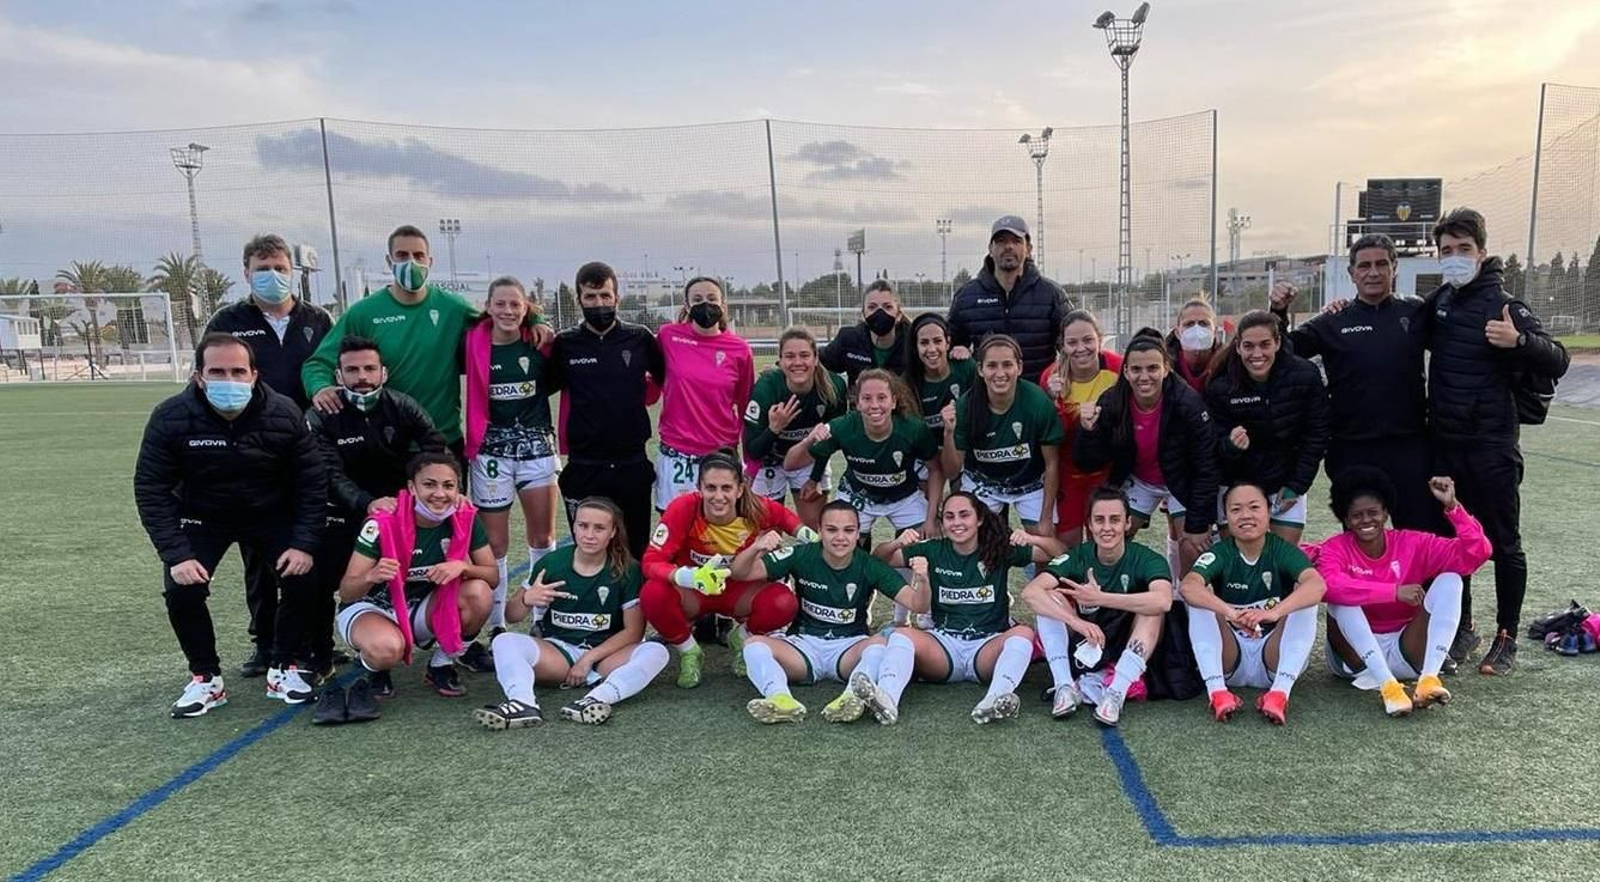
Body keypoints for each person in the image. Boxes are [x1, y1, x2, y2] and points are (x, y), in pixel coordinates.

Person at [134, 333, 325, 718]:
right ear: (199, 377)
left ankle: (283, 666)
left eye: (238, 371)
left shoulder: (284, 413)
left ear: (254, 374)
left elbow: (312, 481)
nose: (229, 380)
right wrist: (177, 554)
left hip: (268, 511)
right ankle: (205, 677)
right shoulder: (170, 416)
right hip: (202, 515)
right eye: (217, 372)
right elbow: (150, 488)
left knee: (305, 577)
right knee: (182, 589)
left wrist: (304, 543)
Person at [1422, 207, 1570, 675]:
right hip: (1446, 446)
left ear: (1482, 252)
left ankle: (1506, 636)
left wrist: (1519, 341)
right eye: (1447, 250)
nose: (1455, 257)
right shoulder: (1440, 303)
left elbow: (1559, 359)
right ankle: (1463, 627)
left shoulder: (1507, 306)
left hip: (1492, 447)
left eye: (1463, 249)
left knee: (1503, 542)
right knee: (1453, 540)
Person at [204, 233, 332, 678]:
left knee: (310, 545)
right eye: (263, 269)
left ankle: (316, 641)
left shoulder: (317, 319)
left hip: (306, 449)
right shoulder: (228, 320)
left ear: (292, 271)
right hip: (252, 452)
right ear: (246, 272)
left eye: (280, 268)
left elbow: (330, 373)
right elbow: (210, 379)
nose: (272, 276)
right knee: (258, 554)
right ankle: (266, 642)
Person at [303, 224, 550, 454]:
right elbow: (318, 363)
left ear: (429, 261)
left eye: (418, 256)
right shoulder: (363, 313)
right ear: (389, 261)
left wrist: (536, 320)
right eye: (402, 256)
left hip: (443, 438)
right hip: (389, 440)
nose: (411, 262)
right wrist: (321, 387)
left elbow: (500, 317)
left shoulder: (452, 307)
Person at [305, 335, 447, 702]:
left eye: (369, 368)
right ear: (339, 375)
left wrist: (415, 495)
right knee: (329, 582)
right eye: (352, 370)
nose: (362, 377)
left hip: (399, 512)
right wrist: (367, 503)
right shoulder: (322, 414)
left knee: (407, 574)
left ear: (383, 372)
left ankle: (432, 645)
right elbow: (328, 472)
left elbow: (435, 449)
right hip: (344, 512)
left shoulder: (402, 405)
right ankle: (321, 656)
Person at [727, 500, 929, 724]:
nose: (840, 537)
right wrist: (756, 548)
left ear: (857, 534)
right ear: (820, 531)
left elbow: (917, 604)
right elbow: (740, 573)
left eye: (848, 530)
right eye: (832, 530)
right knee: (753, 645)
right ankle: (780, 699)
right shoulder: (801, 554)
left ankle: (851, 698)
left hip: (849, 648)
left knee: (879, 646)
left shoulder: (869, 565)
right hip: (803, 646)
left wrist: (923, 580)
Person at [475, 497, 669, 729]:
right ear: (574, 527)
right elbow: (512, 616)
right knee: (504, 641)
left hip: (606, 656)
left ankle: (595, 700)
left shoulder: (627, 569)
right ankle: (522, 703)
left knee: (657, 652)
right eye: (583, 526)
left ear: (613, 532)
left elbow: (634, 632)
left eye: (599, 528)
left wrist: (588, 659)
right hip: (559, 652)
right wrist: (527, 599)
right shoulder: (553, 563)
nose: (589, 535)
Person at [1312, 468, 1491, 717]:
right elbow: (1328, 585)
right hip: (1354, 660)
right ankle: (1388, 687)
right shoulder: (1335, 548)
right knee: (1339, 600)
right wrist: (1393, 592)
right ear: (1346, 519)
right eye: (1356, 515)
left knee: (1451, 580)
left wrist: (1453, 507)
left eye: (1373, 512)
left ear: (1386, 513)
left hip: (1406, 649)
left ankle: (1428, 679)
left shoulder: (1411, 543)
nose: (1366, 520)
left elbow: (1477, 553)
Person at [873, 492, 1064, 723]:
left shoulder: (999, 548)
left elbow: (1061, 554)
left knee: (1024, 633)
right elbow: (877, 561)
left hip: (987, 647)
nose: (957, 523)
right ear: (942, 522)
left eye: (964, 515)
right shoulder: (933, 549)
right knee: (901, 635)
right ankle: (886, 699)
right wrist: (897, 543)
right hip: (944, 646)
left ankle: (995, 699)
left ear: (979, 519)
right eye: (950, 517)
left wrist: (1033, 539)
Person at [334, 453, 496, 712]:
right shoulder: (383, 522)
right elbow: (347, 591)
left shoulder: (465, 517)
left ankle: (442, 664)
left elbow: (492, 576)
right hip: (373, 607)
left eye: (448, 485)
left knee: (479, 593)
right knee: (386, 649)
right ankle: (374, 668)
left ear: (458, 489)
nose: (439, 494)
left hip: (422, 607)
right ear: (412, 487)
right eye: (429, 484)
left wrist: (463, 566)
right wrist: (371, 576)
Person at [785, 368, 943, 626]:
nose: (874, 405)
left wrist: (931, 517)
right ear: (857, 403)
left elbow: (936, 469)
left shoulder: (913, 428)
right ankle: (854, 606)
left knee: (923, 545)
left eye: (882, 398)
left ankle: (905, 616)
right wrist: (810, 438)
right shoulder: (844, 426)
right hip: (858, 496)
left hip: (904, 496)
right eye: (867, 399)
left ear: (894, 401)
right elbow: (791, 463)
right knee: (840, 547)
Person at [639, 452, 808, 688]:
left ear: (739, 490)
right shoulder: (683, 508)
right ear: (699, 487)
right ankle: (689, 651)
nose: (718, 496)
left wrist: (814, 538)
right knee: (652, 593)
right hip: (695, 590)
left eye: (726, 488)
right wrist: (688, 576)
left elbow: (789, 521)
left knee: (783, 602)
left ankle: (742, 638)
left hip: (739, 590)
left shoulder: (755, 507)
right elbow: (651, 561)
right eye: (711, 488)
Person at [462, 277, 559, 669]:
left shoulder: (539, 342)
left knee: (542, 537)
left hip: (536, 448)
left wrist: (541, 324)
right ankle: (498, 624)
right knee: (496, 544)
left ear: (526, 307)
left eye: (515, 304)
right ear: (488, 307)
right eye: (500, 304)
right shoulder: (472, 342)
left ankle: (541, 617)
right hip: (490, 452)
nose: (507, 311)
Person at [1074, 329, 1219, 582]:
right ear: (1126, 371)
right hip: (1139, 480)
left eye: (1152, 368)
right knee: (1107, 537)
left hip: (1181, 481)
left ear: (1166, 368)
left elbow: (1206, 465)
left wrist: (1197, 525)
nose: (1144, 377)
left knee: (1192, 546)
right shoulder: (1112, 401)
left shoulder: (1188, 403)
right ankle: (1113, 595)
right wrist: (1088, 431)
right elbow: (1088, 463)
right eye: (1136, 369)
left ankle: (1184, 600)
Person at [1020, 487, 1172, 725]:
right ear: (1089, 525)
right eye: (1099, 520)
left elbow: (1163, 601)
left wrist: (1100, 598)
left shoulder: (1147, 559)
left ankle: (1115, 693)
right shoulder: (1078, 555)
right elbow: (1031, 593)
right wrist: (1075, 622)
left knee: (1152, 611)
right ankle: (1064, 686)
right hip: (1086, 641)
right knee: (1049, 598)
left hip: (1126, 642)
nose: (1107, 527)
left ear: (1127, 523)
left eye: (1115, 520)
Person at [546, 261, 664, 559]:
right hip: (584, 464)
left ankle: (635, 591)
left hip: (631, 463)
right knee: (589, 550)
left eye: (605, 296)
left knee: (635, 548)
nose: (599, 304)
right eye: (590, 297)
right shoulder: (566, 343)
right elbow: (543, 386)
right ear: (579, 300)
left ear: (616, 298)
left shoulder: (639, 338)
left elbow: (671, 379)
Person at [1182, 483, 1326, 725]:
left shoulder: (1281, 549)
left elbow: (1317, 586)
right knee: (1199, 598)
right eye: (1236, 509)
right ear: (1226, 518)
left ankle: (1279, 694)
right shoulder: (1221, 552)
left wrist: (1274, 613)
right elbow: (1188, 586)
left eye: (1254, 507)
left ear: (1268, 513)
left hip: (1275, 659)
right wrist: (1230, 612)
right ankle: (1217, 692)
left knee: (1306, 598)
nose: (1246, 515)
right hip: (1230, 658)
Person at [1203, 310, 1330, 544]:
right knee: (1238, 561)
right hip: (1237, 484)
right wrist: (1230, 445)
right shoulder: (1221, 386)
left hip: (1284, 483)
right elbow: (1211, 446)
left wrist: (1296, 485)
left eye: (1265, 345)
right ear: (1238, 347)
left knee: (1282, 560)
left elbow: (1316, 435)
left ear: (1278, 343)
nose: (1257, 354)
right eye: (1249, 346)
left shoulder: (1305, 375)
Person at [942, 334, 1064, 537]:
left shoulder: (1038, 402)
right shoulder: (966, 405)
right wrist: (948, 433)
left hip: (1030, 483)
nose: (1000, 373)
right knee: (970, 536)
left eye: (1007, 365)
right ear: (980, 369)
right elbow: (952, 470)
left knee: (1044, 539)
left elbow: (1052, 464)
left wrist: (1045, 518)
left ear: (1019, 367)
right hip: (984, 483)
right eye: (992, 366)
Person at [654, 276, 755, 511]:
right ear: (687, 306)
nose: (705, 305)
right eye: (697, 299)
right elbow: (652, 380)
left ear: (723, 304)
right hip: (677, 454)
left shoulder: (740, 349)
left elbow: (746, 407)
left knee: (721, 527)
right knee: (675, 526)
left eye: (712, 298)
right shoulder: (668, 336)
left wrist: (750, 461)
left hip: (720, 453)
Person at [744, 328, 848, 527]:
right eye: (790, 356)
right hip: (769, 460)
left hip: (809, 459)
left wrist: (815, 478)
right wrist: (774, 428)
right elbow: (753, 450)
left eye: (804, 355)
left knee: (815, 529)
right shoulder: (766, 388)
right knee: (767, 533)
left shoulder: (834, 387)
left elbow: (830, 443)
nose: (798, 362)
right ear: (780, 361)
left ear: (816, 359)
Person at [947, 215, 1071, 377]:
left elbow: (1072, 345)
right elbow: (948, 346)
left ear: (1028, 249)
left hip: (1039, 391)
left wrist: (1057, 377)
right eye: (1001, 241)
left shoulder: (1051, 294)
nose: (1008, 246)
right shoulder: (966, 296)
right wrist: (959, 351)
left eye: (1016, 241)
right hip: (986, 391)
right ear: (990, 249)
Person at [1040, 310, 1122, 544]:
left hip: (1107, 470)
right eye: (1072, 342)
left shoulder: (1118, 367)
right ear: (1062, 346)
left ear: (1100, 339)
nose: (1081, 348)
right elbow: (1050, 435)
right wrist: (1052, 400)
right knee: (1068, 543)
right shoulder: (1051, 377)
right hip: (1068, 473)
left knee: (1105, 539)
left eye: (1088, 340)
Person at [901, 312, 977, 440]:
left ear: (948, 342)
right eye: (924, 343)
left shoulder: (966, 366)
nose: (932, 349)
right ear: (915, 347)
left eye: (937, 341)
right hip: (928, 449)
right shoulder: (908, 382)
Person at [822, 279, 910, 385]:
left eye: (888, 307)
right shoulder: (849, 339)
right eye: (872, 307)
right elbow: (817, 362)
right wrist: (838, 387)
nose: (880, 312)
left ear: (899, 315)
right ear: (863, 314)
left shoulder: (912, 341)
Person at [1166, 297, 1224, 395]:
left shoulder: (1229, 365)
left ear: (1215, 332)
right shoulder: (1164, 367)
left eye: (1203, 323)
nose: (1196, 329)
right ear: (1177, 333)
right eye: (1189, 324)